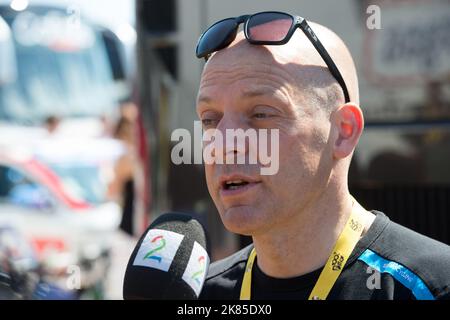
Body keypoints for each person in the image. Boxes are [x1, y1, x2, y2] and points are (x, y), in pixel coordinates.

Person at [194, 12, 450, 300]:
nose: (225, 142)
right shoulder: (199, 295)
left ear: (343, 132)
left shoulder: (433, 287)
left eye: (261, 113)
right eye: (209, 119)